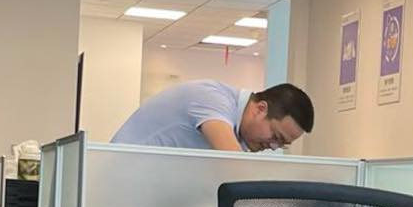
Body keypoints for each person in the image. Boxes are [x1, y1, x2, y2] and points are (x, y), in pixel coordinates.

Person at [111, 81, 313, 152]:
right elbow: (233, 166)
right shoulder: (213, 99)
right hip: (118, 180)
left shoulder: (240, 135)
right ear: (260, 109)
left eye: (282, 144)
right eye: (276, 136)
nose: (274, 146)